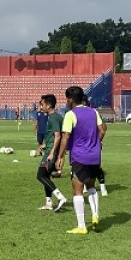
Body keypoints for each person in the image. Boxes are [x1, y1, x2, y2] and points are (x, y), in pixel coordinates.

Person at [54, 85, 107, 234]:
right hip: (95, 156)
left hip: (79, 156)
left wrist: (60, 156)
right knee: (91, 186)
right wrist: (96, 143)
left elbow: (65, 136)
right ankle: (95, 216)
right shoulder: (94, 111)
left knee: (77, 191)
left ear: (70, 100)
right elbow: (102, 129)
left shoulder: (70, 115)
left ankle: (82, 226)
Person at [35, 94, 68, 211]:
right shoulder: (57, 117)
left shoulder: (53, 117)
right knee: (46, 176)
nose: (41, 106)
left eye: (42, 104)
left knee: (40, 175)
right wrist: (45, 144)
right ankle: (48, 203)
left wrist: (51, 152)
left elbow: (58, 136)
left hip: (51, 152)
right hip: (50, 148)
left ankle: (60, 197)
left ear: (48, 105)